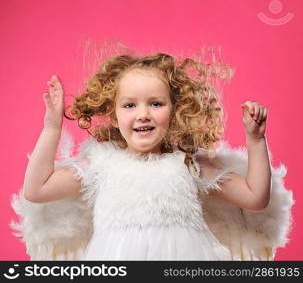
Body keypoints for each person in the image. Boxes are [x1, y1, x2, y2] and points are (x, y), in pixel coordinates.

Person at [11, 53, 294, 260]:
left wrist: (256, 140)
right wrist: (52, 127)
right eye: (130, 105)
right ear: (114, 113)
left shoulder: (189, 163)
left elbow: (256, 199)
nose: (143, 114)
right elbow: (37, 190)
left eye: (156, 103)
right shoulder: (101, 163)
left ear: (176, 110)